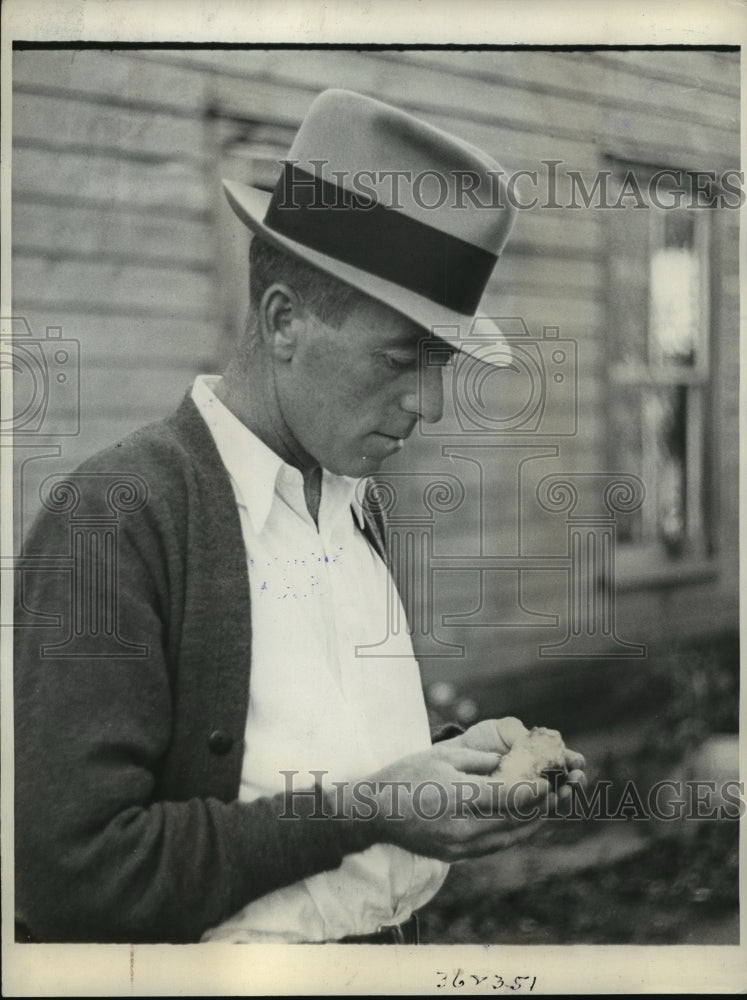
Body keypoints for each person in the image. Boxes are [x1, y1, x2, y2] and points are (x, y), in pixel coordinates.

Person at [14, 88, 585, 944]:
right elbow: (74, 873)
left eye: (441, 364)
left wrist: (459, 761)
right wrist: (369, 812)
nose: (428, 402)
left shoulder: (352, 503)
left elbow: (294, 756)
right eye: (399, 358)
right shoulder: (117, 518)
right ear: (284, 320)